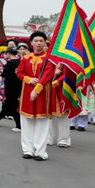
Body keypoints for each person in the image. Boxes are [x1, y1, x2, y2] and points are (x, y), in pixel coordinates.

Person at [16, 32, 56, 160]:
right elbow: (19, 73)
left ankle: (40, 152)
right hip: (27, 93)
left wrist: (37, 89)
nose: (39, 43)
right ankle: (27, 150)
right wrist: (28, 79)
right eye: (36, 41)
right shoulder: (26, 58)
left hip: (43, 94)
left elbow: (47, 76)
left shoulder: (49, 59)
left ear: (45, 43)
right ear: (31, 43)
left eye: (41, 41)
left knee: (41, 123)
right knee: (26, 122)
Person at [0, 45, 22, 131]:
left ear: (8, 53)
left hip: (10, 86)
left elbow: (6, 74)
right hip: (18, 86)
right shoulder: (20, 61)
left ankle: (19, 125)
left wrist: (0, 73)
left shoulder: (10, 63)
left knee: (12, 105)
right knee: (8, 104)